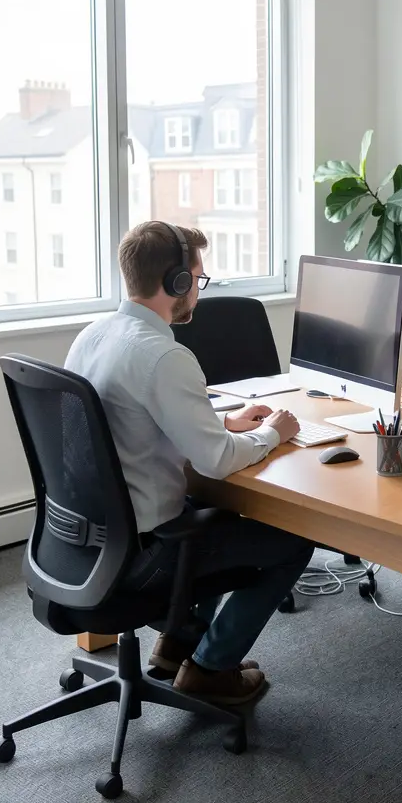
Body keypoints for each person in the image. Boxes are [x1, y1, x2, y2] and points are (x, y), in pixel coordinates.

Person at [65, 220, 314, 705]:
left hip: (87, 540)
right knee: (293, 541)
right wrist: (272, 432)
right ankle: (209, 669)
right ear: (176, 283)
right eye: (198, 280)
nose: (198, 292)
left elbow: (142, 424)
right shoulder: (163, 355)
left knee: (206, 510)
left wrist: (227, 422)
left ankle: (176, 644)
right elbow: (218, 463)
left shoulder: (93, 336)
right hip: (145, 552)